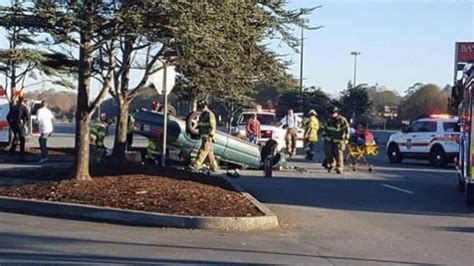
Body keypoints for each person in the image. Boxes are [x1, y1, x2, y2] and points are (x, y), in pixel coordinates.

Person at [191, 99, 219, 171]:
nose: (201, 109)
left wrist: (211, 135)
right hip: (203, 135)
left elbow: (213, 126)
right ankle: (214, 166)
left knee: (204, 150)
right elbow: (200, 125)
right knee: (210, 151)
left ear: (206, 106)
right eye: (200, 107)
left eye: (202, 107)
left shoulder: (210, 114)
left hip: (208, 136)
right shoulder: (202, 115)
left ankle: (197, 164)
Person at [322, 106, 350, 174]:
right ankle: (331, 164)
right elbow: (325, 128)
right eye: (330, 113)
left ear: (336, 113)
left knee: (338, 154)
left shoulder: (342, 120)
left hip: (339, 140)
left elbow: (346, 129)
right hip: (329, 140)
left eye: (332, 113)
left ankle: (339, 167)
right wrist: (324, 136)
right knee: (328, 152)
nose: (331, 114)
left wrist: (346, 139)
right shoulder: (328, 120)